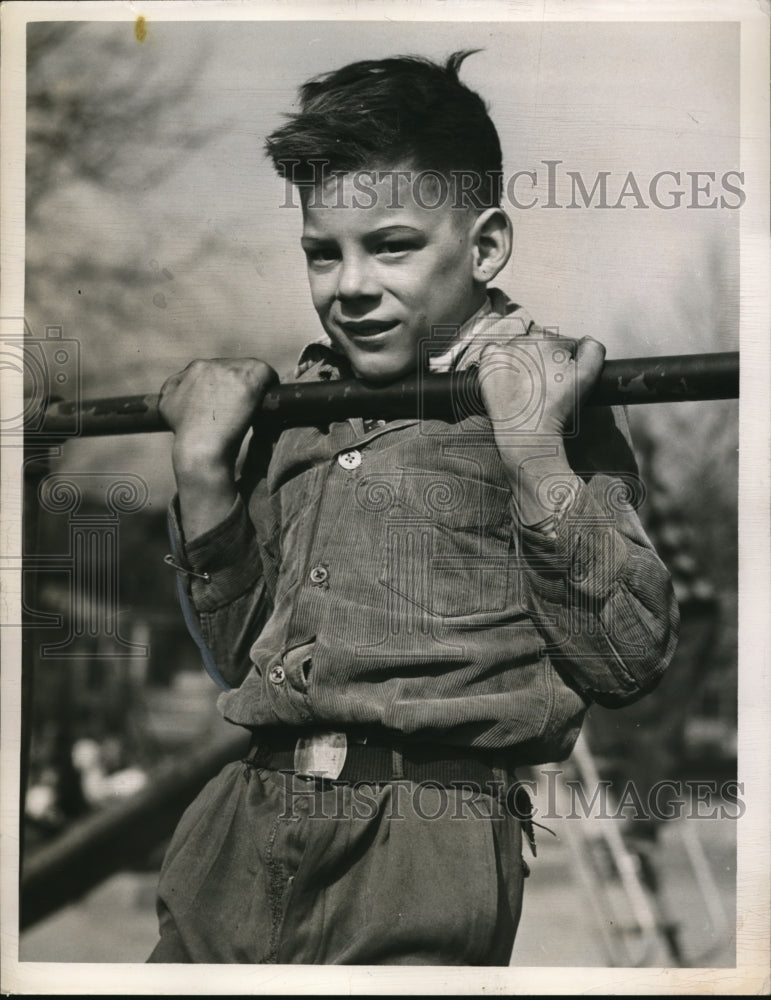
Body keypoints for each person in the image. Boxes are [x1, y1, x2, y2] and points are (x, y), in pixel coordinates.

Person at [148, 51, 679, 965]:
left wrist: (533, 453)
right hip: (240, 828)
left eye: (391, 245)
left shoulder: (548, 397)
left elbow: (628, 658)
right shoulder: (300, 409)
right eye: (323, 252)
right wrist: (203, 476)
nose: (350, 287)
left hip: (424, 843)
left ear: (482, 246)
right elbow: (244, 655)